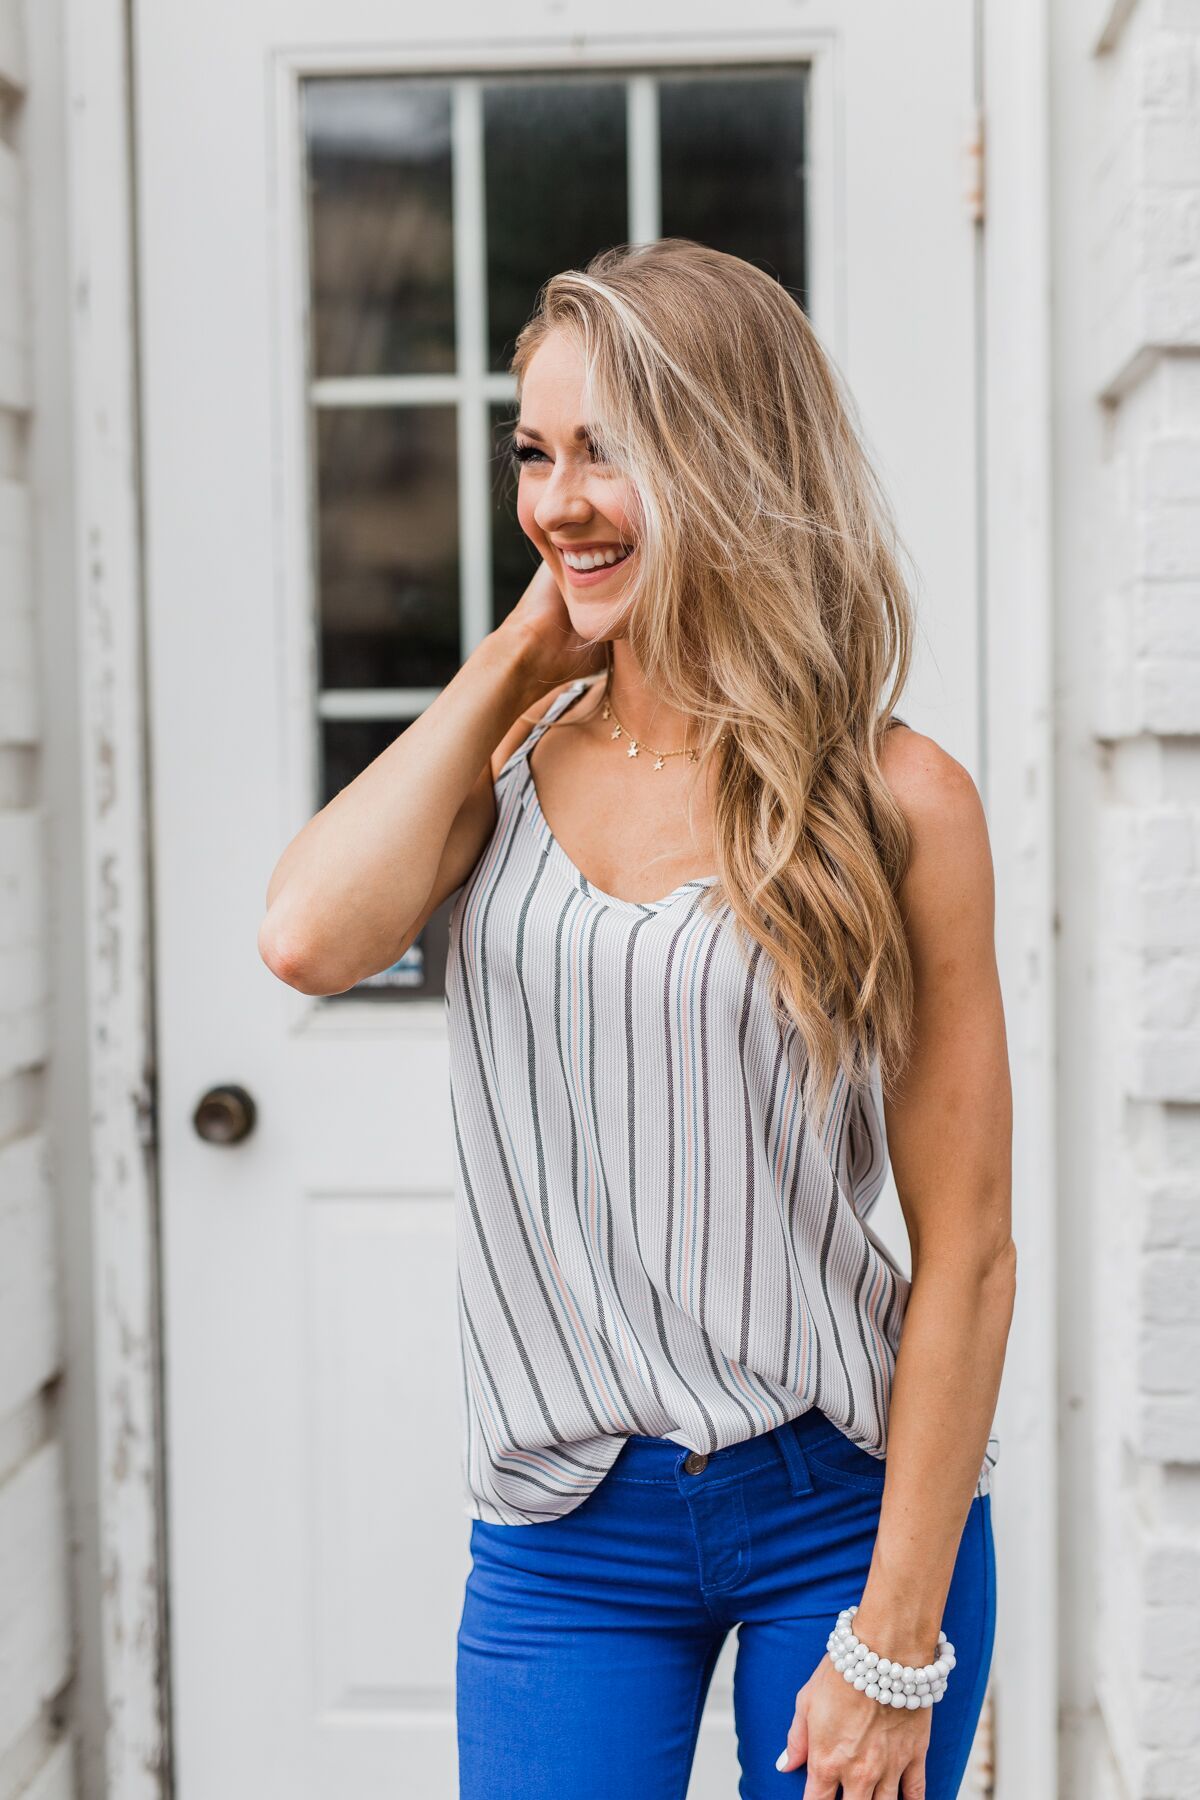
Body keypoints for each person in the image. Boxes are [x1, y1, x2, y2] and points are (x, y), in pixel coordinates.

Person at [260, 239, 1015, 1800]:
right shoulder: (510, 764)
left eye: (611, 450)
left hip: (841, 1506)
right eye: (536, 454)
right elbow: (306, 937)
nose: (558, 500)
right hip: (564, 1537)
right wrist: (520, 652)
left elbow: (974, 1248)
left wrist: (893, 1640)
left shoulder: (897, 800)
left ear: (730, 455)